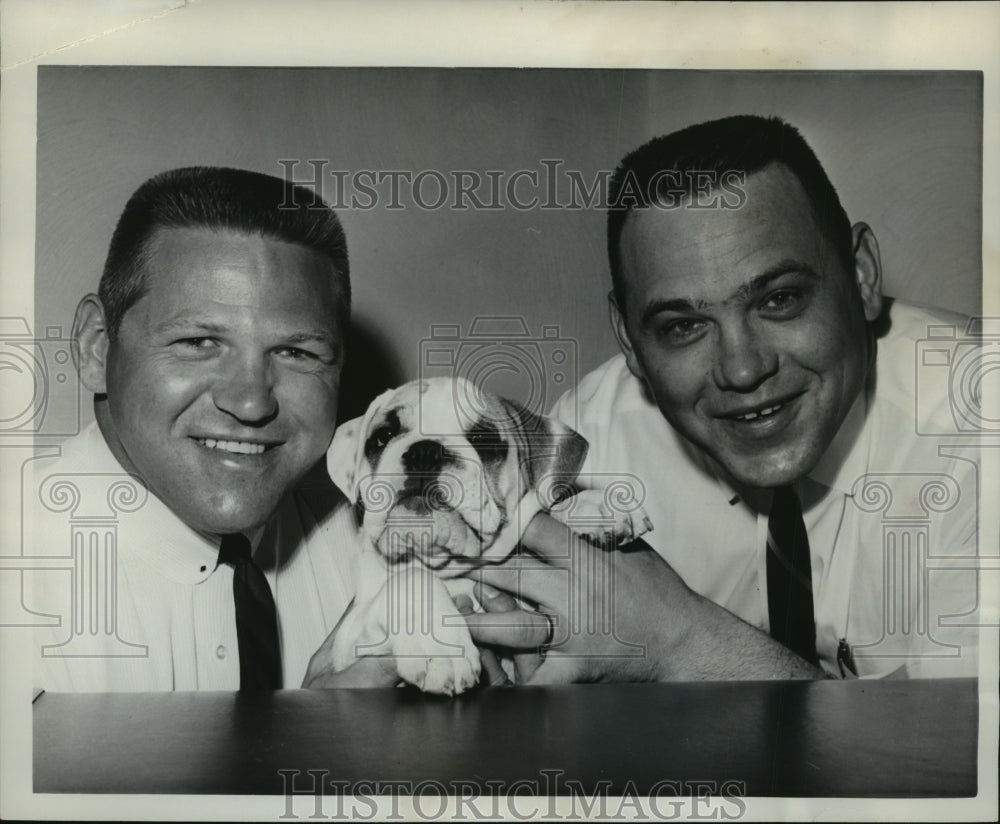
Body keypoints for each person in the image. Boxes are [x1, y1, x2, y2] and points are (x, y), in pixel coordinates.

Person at [465, 115, 981, 681]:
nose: (741, 368)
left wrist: (682, 638)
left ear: (860, 275)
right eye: (683, 326)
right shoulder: (594, 437)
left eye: (780, 299)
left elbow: (957, 759)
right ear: (629, 339)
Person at [30, 167, 397, 691]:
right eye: (199, 341)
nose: (250, 403)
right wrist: (322, 745)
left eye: (296, 352)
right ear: (96, 345)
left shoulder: (381, 541)